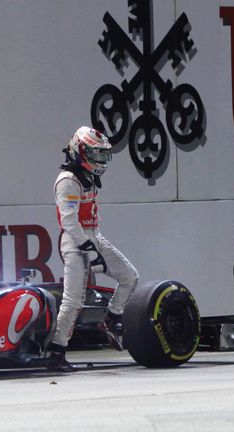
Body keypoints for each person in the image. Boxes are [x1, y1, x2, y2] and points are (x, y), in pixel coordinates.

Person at [46, 126, 139, 372]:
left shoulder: (87, 176)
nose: (100, 161)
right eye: (95, 154)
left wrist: (94, 245)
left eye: (103, 155)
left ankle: (111, 317)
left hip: (94, 236)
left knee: (130, 277)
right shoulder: (67, 180)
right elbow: (68, 222)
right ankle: (56, 351)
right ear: (80, 151)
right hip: (75, 241)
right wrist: (89, 249)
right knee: (74, 300)